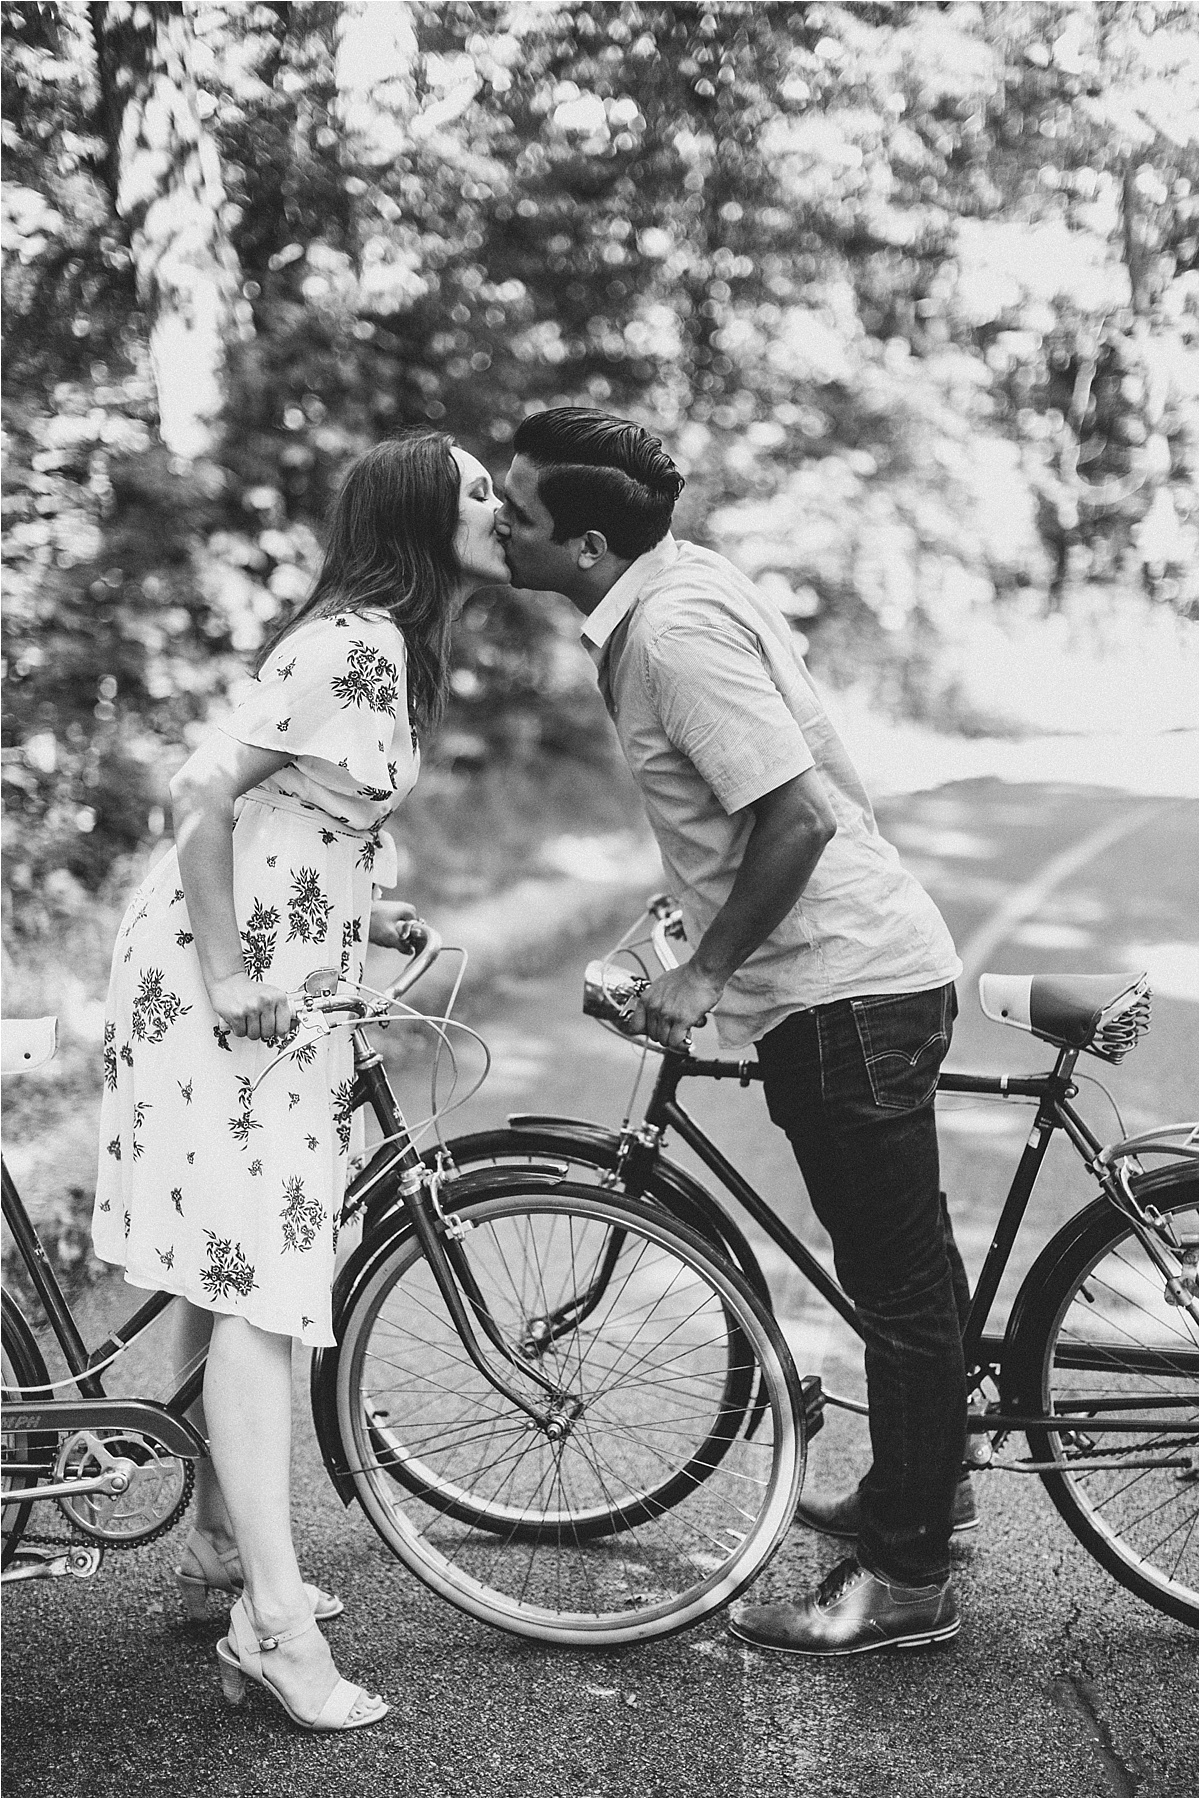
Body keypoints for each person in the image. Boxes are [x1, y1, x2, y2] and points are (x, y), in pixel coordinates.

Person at [495, 407, 971, 1657]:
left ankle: (908, 1580)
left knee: (899, 1290)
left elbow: (799, 817)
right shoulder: (678, 581)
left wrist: (704, 970)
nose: (495, 523)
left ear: (588, 543)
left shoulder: (673, 629)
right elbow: (728, 818)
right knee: (901, 1270)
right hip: (852, 974)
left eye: (517, 509)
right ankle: (923, 1486)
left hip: (843, 987)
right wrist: (674, 930)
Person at [93, 430, 509, 1726]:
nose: (507, 506)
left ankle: (224, 1533)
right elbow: (199, 789)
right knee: (263, 1289)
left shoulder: (383, 647)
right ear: (424, 517)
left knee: (237, 1269)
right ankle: (272, 1623)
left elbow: (299, 814)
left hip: (282, 985)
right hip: (225, 993)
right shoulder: (362, 645)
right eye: (482, 491)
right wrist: (226, 966)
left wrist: (369, 920)